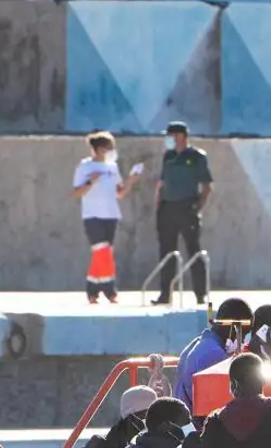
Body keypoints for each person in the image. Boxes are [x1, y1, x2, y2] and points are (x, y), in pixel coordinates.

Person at [72, 131, 141, 304]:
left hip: (111, 215)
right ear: (98, 149)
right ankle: (109, 289)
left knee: (103, 253)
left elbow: (120, 193)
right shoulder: (84, 167)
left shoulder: (112, 167)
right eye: (108, 148)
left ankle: (92, 290)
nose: (111, 151)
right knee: (102, 251)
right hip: (92, 215)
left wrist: (131, 180)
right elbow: (78, 192)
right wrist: (91, 181)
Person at [153, 121, 212, 305]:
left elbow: (207, 186)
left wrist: (197, 207)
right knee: (167, 252)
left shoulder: (196, 157)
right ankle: (165, 293)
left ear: (181, 136)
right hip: (168, 208)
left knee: (193, 250)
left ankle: (200, 294)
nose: (168, 140)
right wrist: (158, 205)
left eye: (171, 136)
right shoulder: (168, 156)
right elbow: (161, 183)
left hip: (187, 207)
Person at [173, 297, 253, 408]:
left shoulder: (196, 345)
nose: (243, 340)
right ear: (231, 326)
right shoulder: (215, 355)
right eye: (242, 333)